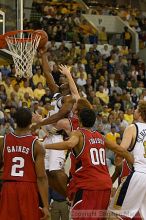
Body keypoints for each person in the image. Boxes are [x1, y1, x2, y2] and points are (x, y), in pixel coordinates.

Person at [44, 108, 133, 220]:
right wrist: (136, 167)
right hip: (105, 186)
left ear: (80, 121)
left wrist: (44, 146)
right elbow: (121, 150)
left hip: (88, 186)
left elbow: (70, 144)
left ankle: (69, 197)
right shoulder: (101, 136)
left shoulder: (79, 134)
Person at [0, 107, 49, 220]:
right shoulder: (37, 145)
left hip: (8, 187)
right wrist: (45, 206)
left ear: (15, 121)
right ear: (30, 122)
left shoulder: (4, 141)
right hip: (28, 188)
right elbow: (41, 177)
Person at [108, 100, 146, 219]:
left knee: (112, 214)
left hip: (138, 175)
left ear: (140, 113)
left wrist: (117, 158)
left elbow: (122, 149)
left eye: (136, 109)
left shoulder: (132, 127)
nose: (134, 110)